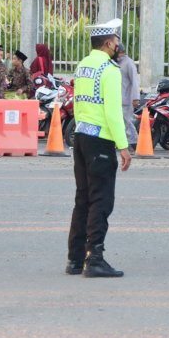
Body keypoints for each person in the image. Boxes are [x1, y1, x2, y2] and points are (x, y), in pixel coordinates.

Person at [67, 18, 131, 278]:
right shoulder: (109, 69)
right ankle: (95, 258)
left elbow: (77, 104)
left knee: (83, 198)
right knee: (101, 200)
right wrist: (123, 146)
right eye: (116, 41)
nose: (118, 45)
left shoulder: (83, 66)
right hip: (101, 141)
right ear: (108, 43)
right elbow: (113, 112)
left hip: (81, 136)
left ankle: (75, 258)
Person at [117, 44, 140, 149]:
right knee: (121, 123)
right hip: (117, 98)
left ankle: (136, 143)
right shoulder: (116, 62)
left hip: (127, 99)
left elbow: (135, 81)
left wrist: (136, 98)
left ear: (121, 51)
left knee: (126, 122)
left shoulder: (128, 63)